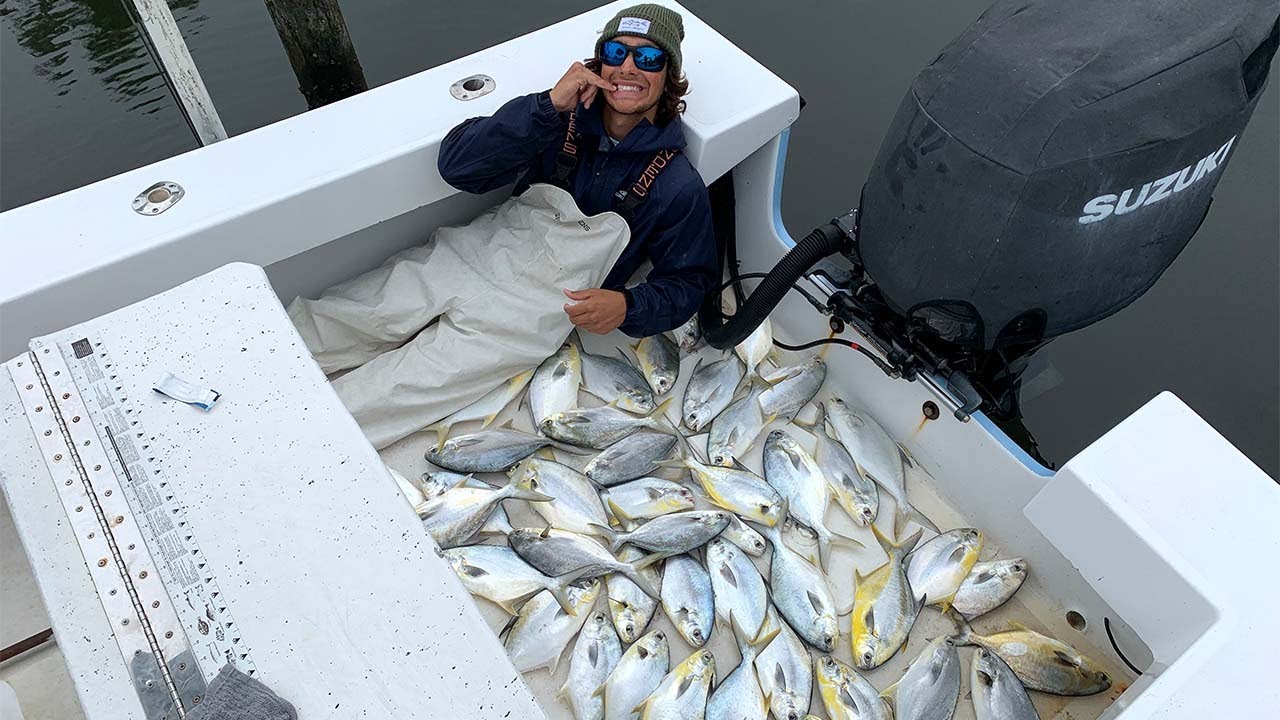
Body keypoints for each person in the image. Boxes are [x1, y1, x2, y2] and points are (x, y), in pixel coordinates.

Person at [437, 3, 718, 337]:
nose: (628, 67)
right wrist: (548, 104)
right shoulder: (551, 119)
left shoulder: (677, 184)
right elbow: (456, 166)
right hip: (471, 257)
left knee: (399, 385)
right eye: (616, 53)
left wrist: (627, 307)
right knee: (365, 309)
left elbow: (688, 283)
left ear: (668, 76)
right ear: (599, 64)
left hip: (537, 316)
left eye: (648, 59)